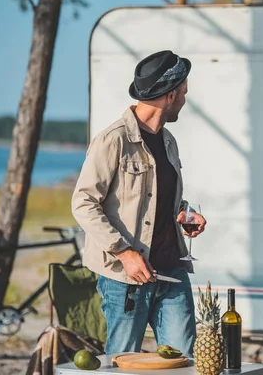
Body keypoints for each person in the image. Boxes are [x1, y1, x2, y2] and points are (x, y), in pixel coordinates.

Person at [71, 50, 206, 356]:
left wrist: (185, 213)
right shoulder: (113, 140)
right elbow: (83, 203)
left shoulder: (168, 140)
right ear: (170, 96)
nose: (185, 99)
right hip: (126, 277)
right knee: (123, 362)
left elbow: (156, 198)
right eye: (183, 92)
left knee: (182, 361)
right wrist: (124, 253)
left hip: (171, 271)